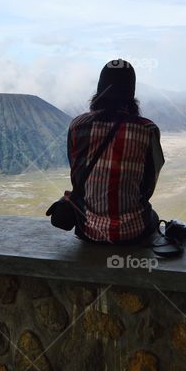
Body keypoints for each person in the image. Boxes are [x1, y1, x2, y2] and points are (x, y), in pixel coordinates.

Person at [67, 59, 164, 244]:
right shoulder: (148, 129)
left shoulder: (77, 126)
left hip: (88, 231)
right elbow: (148, 186)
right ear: (131, 93)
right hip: (134, 232)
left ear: (99, 89)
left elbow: (76, 175)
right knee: (153, 215)